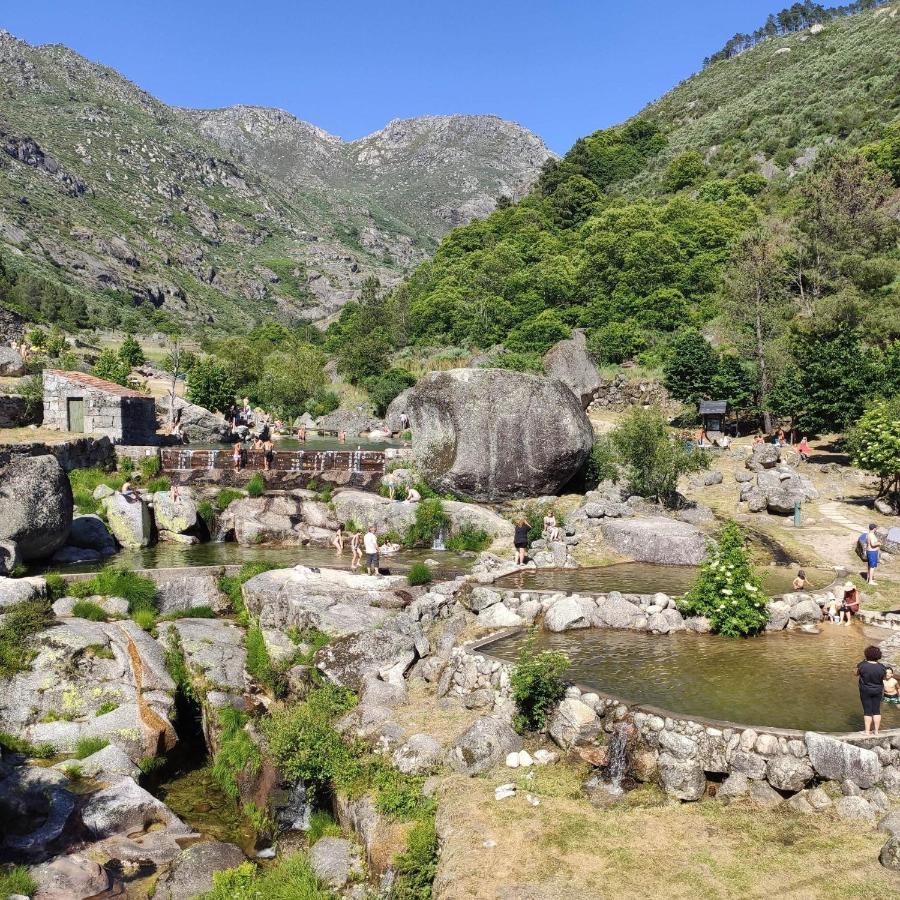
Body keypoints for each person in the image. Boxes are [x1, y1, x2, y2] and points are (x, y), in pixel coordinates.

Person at [857, 645, 888, 735]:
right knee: (876, 710)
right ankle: (877, 731)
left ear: (866, 654)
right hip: (878, 690)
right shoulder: (882, 667)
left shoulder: (862, 665)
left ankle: (867, 732)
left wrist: (860, 665)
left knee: (867, 711)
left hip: (865, 690)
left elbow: (855, 673)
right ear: (878, 656)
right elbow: (885, 678)